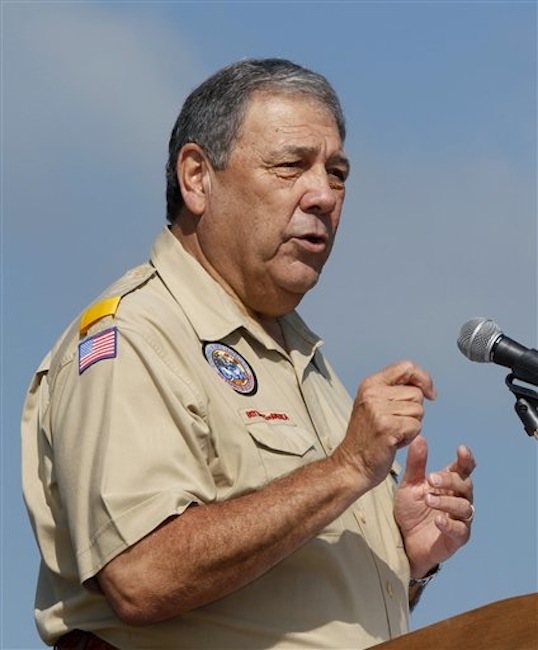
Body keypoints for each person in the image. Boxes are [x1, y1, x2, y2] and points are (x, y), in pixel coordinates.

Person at [21, 58, 476, 650]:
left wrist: (406, 556)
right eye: (291, 166)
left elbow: (299, 596)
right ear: (196, 177)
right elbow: (141, 575)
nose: (323, 195)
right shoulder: (133, 335)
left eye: (337, 173)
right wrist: (345, 469)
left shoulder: (301, 355)